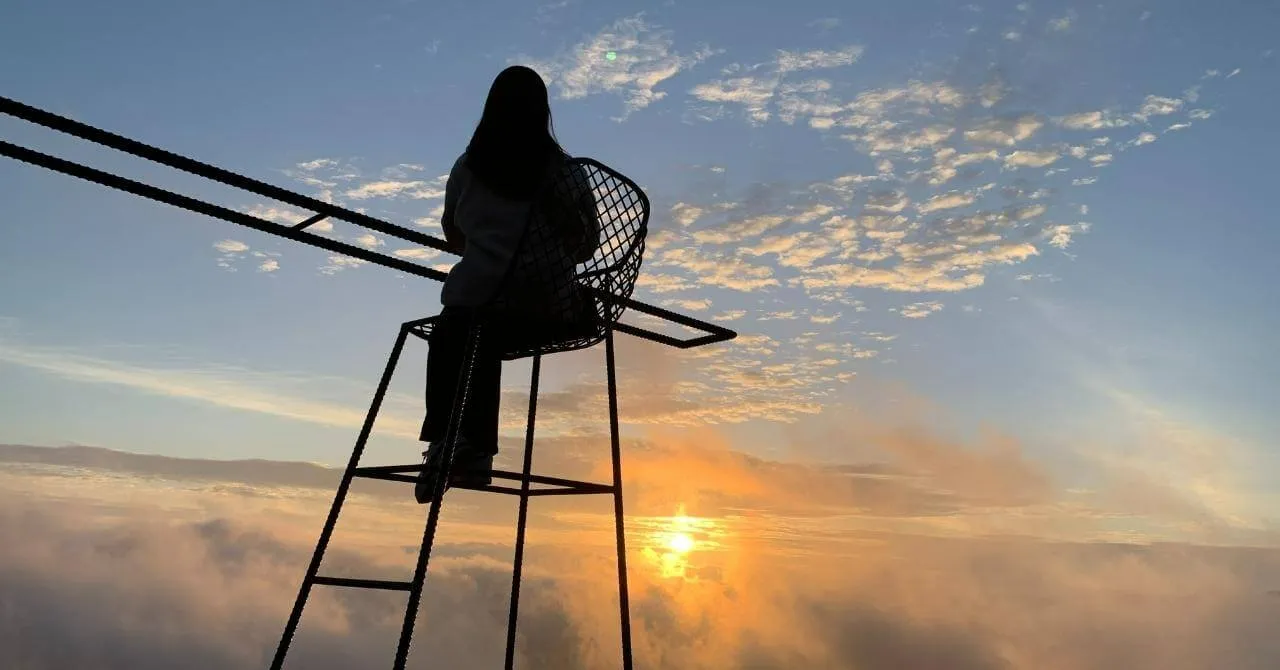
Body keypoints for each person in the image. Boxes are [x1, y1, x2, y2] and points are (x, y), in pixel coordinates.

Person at [416, 65, 600, 504]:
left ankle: (449, 443)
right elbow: (588, 244)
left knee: (455, 329)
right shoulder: (569, 172)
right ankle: (469, 449)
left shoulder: (470, 168)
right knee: (481, 332)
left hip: (489, 308)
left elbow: (452, 233)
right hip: (555, 311)